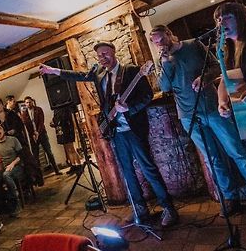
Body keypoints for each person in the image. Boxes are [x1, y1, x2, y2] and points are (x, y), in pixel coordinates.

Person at [40, 42, 179, 227]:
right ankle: (140, 209)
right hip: (116, 132)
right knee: (127, 173)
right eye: (99, 55)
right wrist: (54, 71)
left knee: (148, 169)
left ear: (113, 52)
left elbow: (147, 96)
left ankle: (168, 208)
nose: (102, 58)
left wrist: (130, 107)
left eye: (105, 53)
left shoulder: (131, 71)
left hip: (134, 130)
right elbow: (79, 76)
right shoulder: (99, 73)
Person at [150, 24, 246, 215]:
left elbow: (217, 66)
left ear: (170, 34)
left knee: (236, 149)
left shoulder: (193, 45)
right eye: (156, 42)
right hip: (188, 115)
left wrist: (204, 78)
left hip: (212, 107)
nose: (160, 44)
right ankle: (230, 197)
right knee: (212, 158)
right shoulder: (161, 61)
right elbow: (164, 87)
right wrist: (165, 62)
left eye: (162, 39)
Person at [213, 2, 246, 113]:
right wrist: (222, 102)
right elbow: (225, 78)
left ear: (241, 18)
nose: (221, 23)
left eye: (227, 17)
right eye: (219, 19)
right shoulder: (227, 48)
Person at [0, 124, 25, 216]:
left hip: (17, 166)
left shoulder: (13, 140)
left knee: (6, 175)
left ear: (4, 131)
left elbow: (21, 155)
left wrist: (12, 164)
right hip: (4, 169)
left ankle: (16, 202)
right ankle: (4, 204)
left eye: (0, 128)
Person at [20, 96, 62, 175]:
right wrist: (33, 134)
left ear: (32, 102)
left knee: (49, 152)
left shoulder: (38, 109)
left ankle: (57, 170)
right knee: (35, 155)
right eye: (27, 102)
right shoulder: (24, 114)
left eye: (30, 102)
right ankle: (39, 175)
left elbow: (41, 122)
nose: (29, 104)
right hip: (33, 136)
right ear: (25, 104)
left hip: (42, 134)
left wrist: (37, 133)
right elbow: (27, 125)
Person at [50, 106, 82, 175]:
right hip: (60, 130)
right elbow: (55, 119)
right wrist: (53, 122)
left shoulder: (65, 107)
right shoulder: (55, 109)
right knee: (68, 149)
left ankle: (79, 165)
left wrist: (75, 128)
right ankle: (73, 165)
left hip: (67, 129)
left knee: (71, 148)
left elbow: (70, 118)